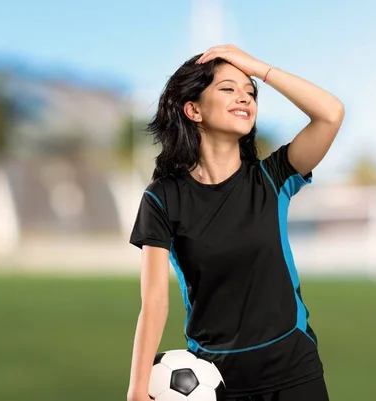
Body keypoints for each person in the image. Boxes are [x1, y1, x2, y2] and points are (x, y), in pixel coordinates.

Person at [127, 44, 344, 401]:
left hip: (295, 373)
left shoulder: (272, 178)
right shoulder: (162, 197)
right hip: (215, 381)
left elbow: (331, 114)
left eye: (251, 92)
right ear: (193, 109)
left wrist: (258, 68)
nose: (244, 98)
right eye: (228, 88)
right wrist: (137, 389)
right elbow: (153, 301)